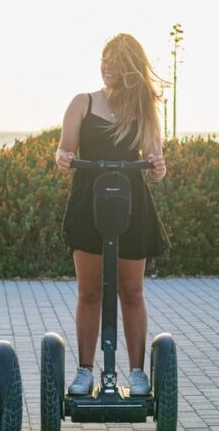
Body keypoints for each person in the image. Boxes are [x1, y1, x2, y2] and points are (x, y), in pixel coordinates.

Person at [56, 33, 169, 396]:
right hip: (90, 201)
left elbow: (155, 158)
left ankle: (136, 372)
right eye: (105, 59)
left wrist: (157, 166)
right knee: (89, 292)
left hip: (131, 205)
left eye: (116, 61)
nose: (107, 66)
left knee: (131, 291)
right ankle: (85, 370)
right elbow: (64, 151)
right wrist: (61, 158)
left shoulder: (144, 108)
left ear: (131, 69)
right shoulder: (82, 103)